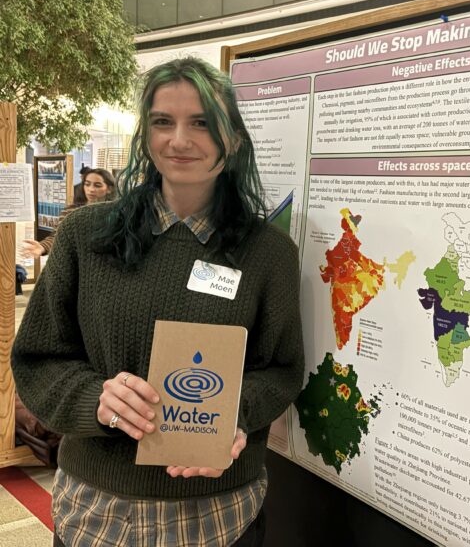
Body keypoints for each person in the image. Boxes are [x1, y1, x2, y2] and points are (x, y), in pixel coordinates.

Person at [12, 57, 304, 546]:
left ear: (233, 138)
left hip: (219, 514)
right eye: (163, 122)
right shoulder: (85, 235)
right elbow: (37, 359)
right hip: (97, 511)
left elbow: (282, 370)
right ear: (145, 136)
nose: (179, 140)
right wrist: (96, 400)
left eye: (202, 123)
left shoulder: (268, 253)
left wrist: (234, 413)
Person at [20, 167, 115, 258]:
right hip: (75, 263)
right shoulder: (71, 210)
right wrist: (42, 247)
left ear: (109, 189)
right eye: (87, 184)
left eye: (97, 185)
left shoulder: (115, 213)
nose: (91, 189)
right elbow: (58, 236)